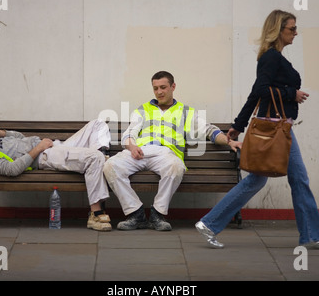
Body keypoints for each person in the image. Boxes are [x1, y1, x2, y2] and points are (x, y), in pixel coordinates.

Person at [195, 10, 319, 250]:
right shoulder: (271, 58)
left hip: (278, 126)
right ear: (278, 30)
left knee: (271, 180)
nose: (295, 32)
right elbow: (261, 90)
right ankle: (209, 222)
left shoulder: (273, 57)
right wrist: (292, 93)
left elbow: (255, 92)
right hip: (275, 128)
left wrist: (237, 126)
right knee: (288, 179)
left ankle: (209, 224)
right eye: (292, 28)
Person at [103, 71, 241, 231]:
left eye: (163, 87)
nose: (159, 92)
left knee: (176, 167)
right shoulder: (143, 109)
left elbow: (209, 131)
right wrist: (132, 147)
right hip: (140, 151)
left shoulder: (186, 112)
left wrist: (229, 141)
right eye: (155, 88)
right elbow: (130, 132)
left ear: (173, 87)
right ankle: (135, 213)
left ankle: (157, 214)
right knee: (110, 166)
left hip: (166, 154)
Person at [0, 117, 112, 231]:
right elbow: (12, 170)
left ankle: (99, 161)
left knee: (97, 124)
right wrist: (39, 148)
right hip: (45, 156)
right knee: (94, 158)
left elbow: (21, 138)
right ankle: (96, 213)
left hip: (55, 146)